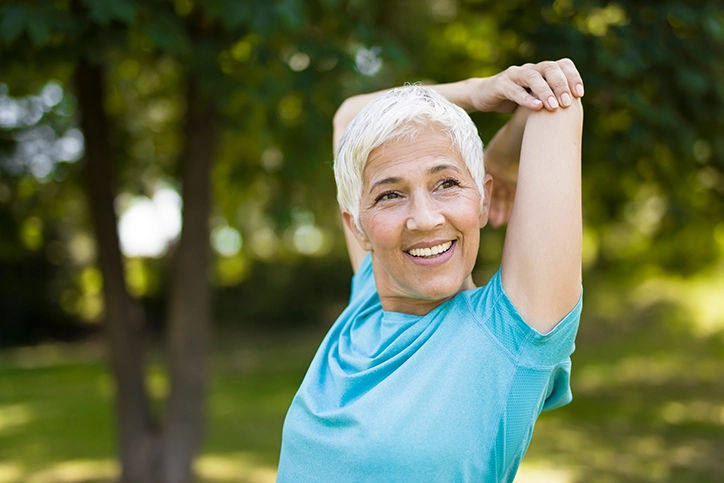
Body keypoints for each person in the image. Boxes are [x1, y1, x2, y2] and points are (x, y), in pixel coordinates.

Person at [277, 59, 584, 482]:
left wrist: (500, 157)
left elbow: (555, 101)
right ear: (358, 227)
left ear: (481, 200)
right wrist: (478, 91)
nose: (423, 219)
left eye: (447, 184)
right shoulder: (369, 298)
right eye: (389, 195)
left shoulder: (512, 335)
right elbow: (349, 116)